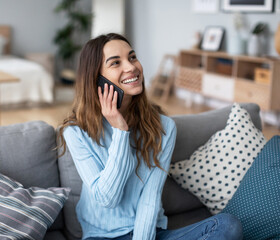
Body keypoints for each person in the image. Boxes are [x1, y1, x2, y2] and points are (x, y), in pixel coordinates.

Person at [58, 33, 243, 240]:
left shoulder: (163, 127)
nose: (131, 67)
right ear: (96, 78)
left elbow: (150, 198)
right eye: (116, 63)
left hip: (150, 234)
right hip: (101, 237)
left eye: (132, 57)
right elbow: (107, 198)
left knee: (227, 225)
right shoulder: (76, 132)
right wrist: (121, 132)